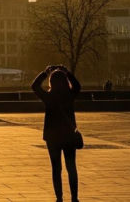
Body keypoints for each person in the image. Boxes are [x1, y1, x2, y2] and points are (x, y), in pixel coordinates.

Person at [32, 64, 81, 202]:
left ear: (51, 82)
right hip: (69, 136)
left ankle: (59, 198)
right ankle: (74, 198)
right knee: (71, 167)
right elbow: (77, 86)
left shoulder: (49, 97)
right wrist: (67, 72)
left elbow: (34, 86)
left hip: (52, 137)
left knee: (56, 168)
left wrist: (45, 72)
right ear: (65, 81)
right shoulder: (70, 95)